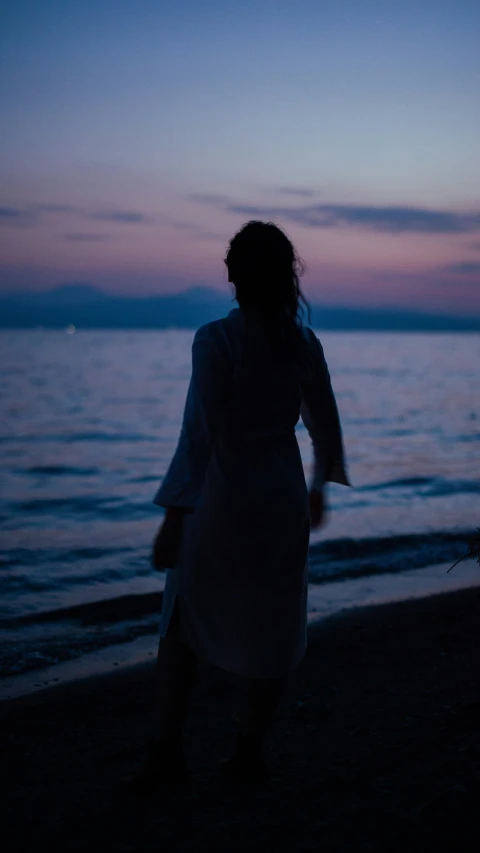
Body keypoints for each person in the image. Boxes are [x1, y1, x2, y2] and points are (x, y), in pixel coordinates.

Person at [127, 220, 349, 789]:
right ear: (285, 278)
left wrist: (175, 515)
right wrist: (319, 488)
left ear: (230, 274)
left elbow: (198, 435)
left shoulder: (215, 340)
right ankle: (248, 751)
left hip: (220, 503)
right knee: (272, 625)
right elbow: (326, 427)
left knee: (181, 621)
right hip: (279, 500)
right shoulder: (303, 343)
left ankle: (166, 752)